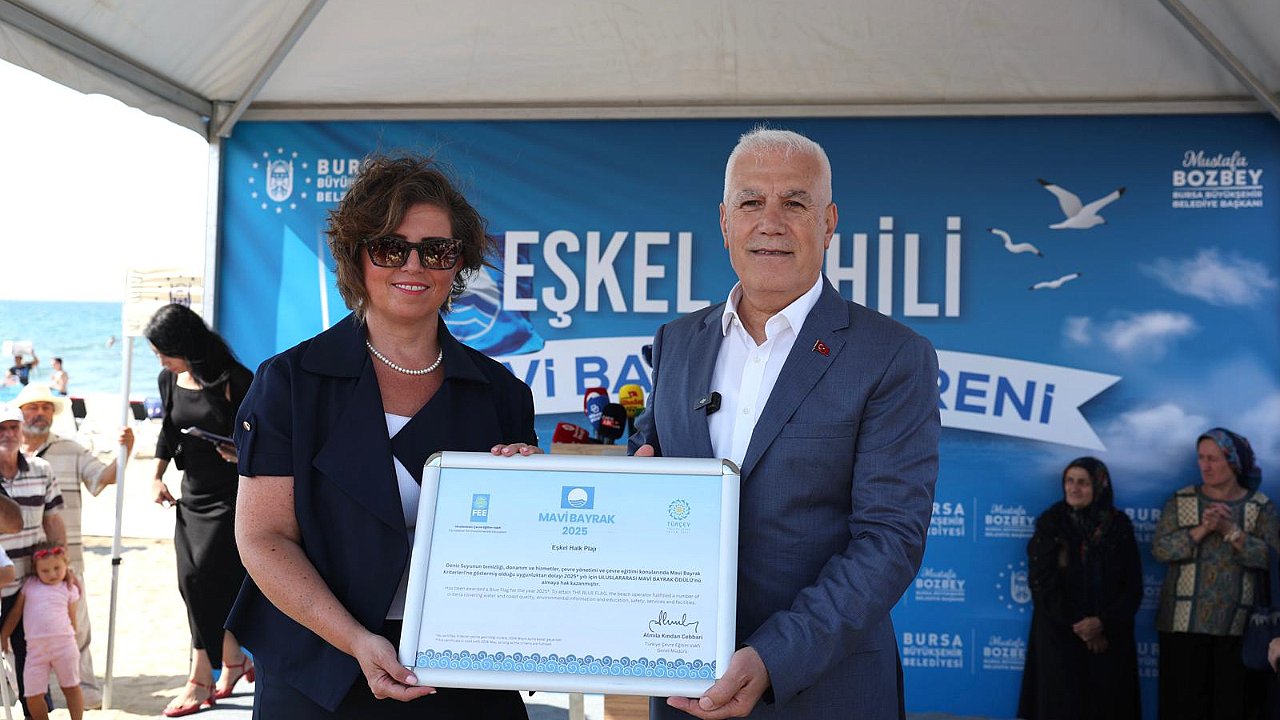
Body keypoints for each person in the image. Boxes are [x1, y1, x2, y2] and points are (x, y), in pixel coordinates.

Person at [629, 127, 940, 719]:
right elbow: (647, 468)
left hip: (824, 690)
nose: (770, 223)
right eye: (751, 202)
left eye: (795, 203)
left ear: (828, 223)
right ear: (725, 222)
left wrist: (774, 657)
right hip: (681, 684)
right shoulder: (677, 341)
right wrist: (541, 486)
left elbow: (889, 539)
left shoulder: (892, 356)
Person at [229, 153, 539, 719]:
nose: (413, 265)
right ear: (357, 255)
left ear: (459, 263)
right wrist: (355, 640)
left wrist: (529, 497)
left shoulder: (502, 395)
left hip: (464, 671)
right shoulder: (289, 384)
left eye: (437, 250)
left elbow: (521, 555)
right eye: (391, 248)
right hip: (320, 670)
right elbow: (262, 538)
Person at [144, 303, 255, 717]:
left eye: (164, 352)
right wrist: (157, 476)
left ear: (185, 344)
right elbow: (167, 431)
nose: (161, 361)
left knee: (204, 578)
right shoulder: (168, 380)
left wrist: (240, 454)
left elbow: (263, 439)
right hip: (191, 494)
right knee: (189, 581)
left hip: (231, 495)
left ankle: (200, 677)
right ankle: (233, 660)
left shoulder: (234, 380)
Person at [16, 382, 133, 708]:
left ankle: (85, 691)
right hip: (18, 557)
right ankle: (23, 690)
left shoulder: (71, 449)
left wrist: (125, 451)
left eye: (46, 408)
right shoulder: (7, 451)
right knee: (18, 628)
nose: (40, 413)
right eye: (33, 408)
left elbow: (103, 477)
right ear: (21, 412)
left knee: (73, 626)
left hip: (64, 558)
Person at [1153, 427, 1279, 719]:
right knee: (1182, 708)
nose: (1205, 466)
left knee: (1234, 708)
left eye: (1213, 459)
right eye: (1201, 458)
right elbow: (1160, 550)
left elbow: (1270, 558)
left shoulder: (1260, 507)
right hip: (1182, 627)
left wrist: (1230, 531)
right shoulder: (1181, 500)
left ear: (1233, 462)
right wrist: (1203, 529)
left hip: (1238, 630)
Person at [1017, 457, 1142, 719]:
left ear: (1099, 485)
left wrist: (1101, 623)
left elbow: (1132, 586)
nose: (1074, 488)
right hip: (1060, 637)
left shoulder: (1118, 525)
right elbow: (1042, 582)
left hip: (1109, 640)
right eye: (1069, 481)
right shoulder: (1051, 522)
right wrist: (1083, 627)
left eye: (1083, 482)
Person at [0, 403, 65, 715]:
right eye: (1, 429)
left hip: (31, 583)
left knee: (32, 660)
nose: (8, 434)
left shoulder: (41, 470)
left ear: (22, 430)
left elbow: (53, 520)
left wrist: (62, 566)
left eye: (13, 427)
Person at [0, 543, 84, 720]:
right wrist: (4, 634)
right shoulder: (29, 586)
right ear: (35, 569)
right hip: (36, 650)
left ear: (66, 565)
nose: (52, 574)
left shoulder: (69, 588)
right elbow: (16, 612)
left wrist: (74, 641)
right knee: (32, 694)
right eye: (45, 570)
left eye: (57, 568)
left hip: (64, 646)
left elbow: (72, 618)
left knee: (71, 687)